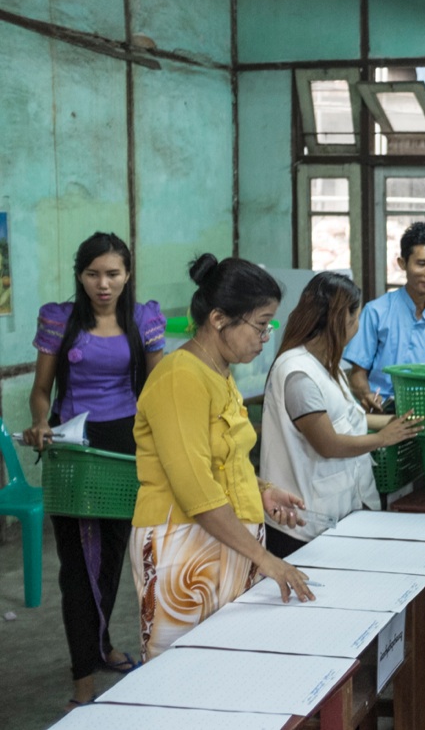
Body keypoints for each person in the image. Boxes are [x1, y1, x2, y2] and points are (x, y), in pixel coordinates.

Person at [130, 254, 315, 661]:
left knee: (228, 665)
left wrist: (260, 490)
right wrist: (267, 559)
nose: (264, 337)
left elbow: (223, 460)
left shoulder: (219, 373)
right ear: (218, 318)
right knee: (181, 671)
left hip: (228, 542)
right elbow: (195, 488)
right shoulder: (180, 376)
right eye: (260, 324)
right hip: (183, 547)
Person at [24, 232, 165, 710]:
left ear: (127, 274)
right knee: (77, 571)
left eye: (112, 274)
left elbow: (156, 390)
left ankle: (101, 646)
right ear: (79, 275)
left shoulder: (143, 319)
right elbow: (41, 390)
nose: (103, 284)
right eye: (92, 274)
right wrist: (41, 421)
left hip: (125, 447)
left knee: (109, 560)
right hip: (74, 449)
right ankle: (82, 685)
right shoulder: (60, 319)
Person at [260, 272, 423, 558]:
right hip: (301, 524)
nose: (357, 326)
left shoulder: (326, 364)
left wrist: (395, 424)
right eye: (356, 318)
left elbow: (344, 420)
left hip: (336, 512)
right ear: (342, 320)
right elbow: (328, 443)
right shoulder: (298, 373)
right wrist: (384, 438)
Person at [345, 222, 425, 410]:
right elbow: (357, 374)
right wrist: (369, 399)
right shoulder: (376, 312)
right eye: (422, 264)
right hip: (383, 412)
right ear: (402, 263)